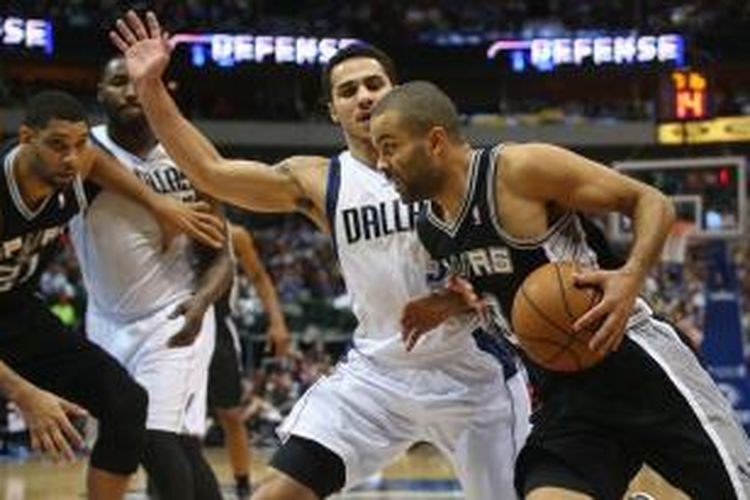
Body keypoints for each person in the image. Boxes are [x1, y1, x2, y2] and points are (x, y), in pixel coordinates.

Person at [110, 12, 530, 500]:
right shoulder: (319, 180)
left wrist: (460, 300)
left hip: (471, 376)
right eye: (347, 91)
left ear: (397, 91)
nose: (364, 96)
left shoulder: (452, 165)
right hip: (379, 375)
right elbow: (210, 170)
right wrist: (150, 89)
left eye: (374, 84)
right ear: (332, 110)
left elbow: (511, 262)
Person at [369, 80, 750, 500]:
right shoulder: (432, 231)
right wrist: (449, 303)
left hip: (631, 361)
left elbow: (650, 201)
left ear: (435, 141)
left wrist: (631, 277)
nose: (382, 163)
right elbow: (503, 292)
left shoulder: (517, 170)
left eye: (390, 147)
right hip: (564, 393)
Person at [0, 89, 223, 500]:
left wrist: (160, 205)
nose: (71, 157)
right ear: (26, 136)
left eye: (79, 144)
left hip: (17, 313)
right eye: (57, 146)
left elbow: (98, 163)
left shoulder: (75, 169)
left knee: (126, 404)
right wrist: (24, 394)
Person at [68, 56, 233, 500]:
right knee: (166, 446)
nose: (129, 91)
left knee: (155, 440)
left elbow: (223, 257)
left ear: (163, 91)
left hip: (175, 315)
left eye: (139, 82)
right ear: (99, 92)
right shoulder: (80, 154)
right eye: (117, 81)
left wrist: (201, 304)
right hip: (104, 321)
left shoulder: (187, 152)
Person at [208, 222, 291, 499]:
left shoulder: (235, 235)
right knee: (176, 420)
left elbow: (259, 277)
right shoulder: (170, 220)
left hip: (218, 326)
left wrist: (277, 321)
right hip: (172, 324)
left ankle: (243, 485)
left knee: (231, 414)